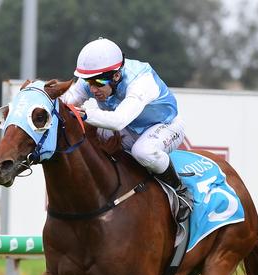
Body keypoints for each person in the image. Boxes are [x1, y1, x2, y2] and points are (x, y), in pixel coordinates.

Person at [60, 37, 192, 222]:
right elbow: (64, 103)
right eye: (88, 81)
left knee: (143, 151)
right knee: (86, 137)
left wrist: (84, 114)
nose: (92, 88)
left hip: (165, 125)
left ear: (116, 75)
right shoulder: (98, 78)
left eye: (98, 82)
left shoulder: (140, 81)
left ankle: (180, 192)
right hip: (130, 128)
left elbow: (118, 121)